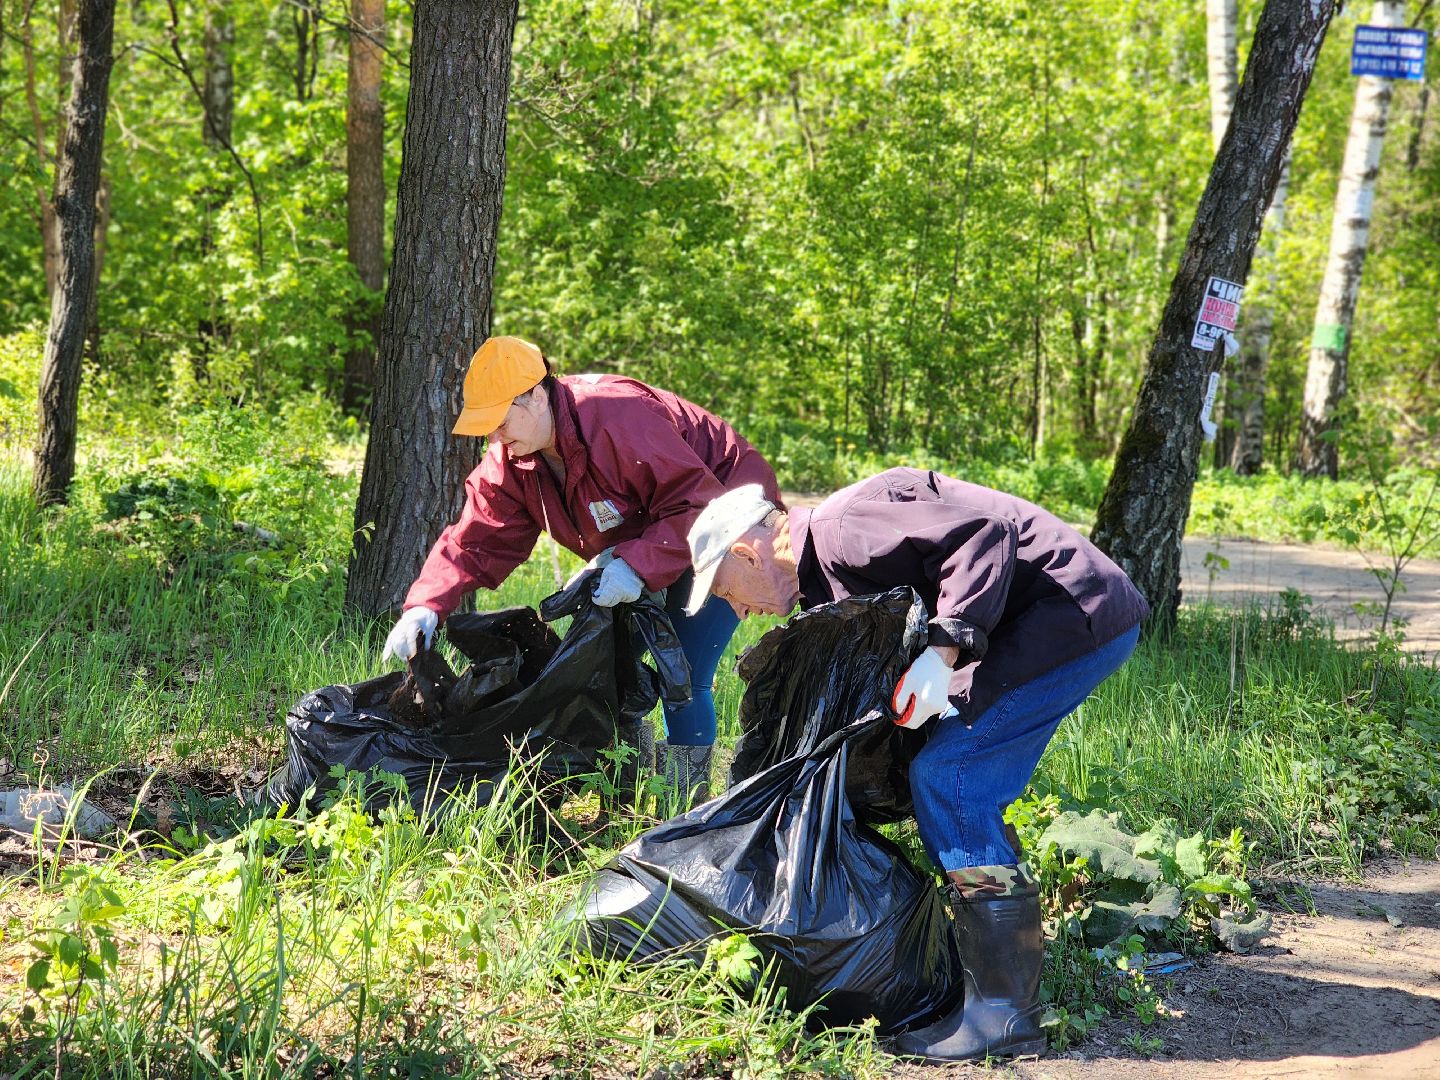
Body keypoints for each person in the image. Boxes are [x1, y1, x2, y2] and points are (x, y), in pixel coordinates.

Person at [682, 467, 1148, 1062]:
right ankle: (998, 969)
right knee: (948, 777)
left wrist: (942, 652)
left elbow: (985, 532)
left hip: (1072, 614)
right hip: (1038, 626)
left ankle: (1005, 1013)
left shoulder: (842, 529)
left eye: (728, 593)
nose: (740, 612)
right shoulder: (822, 576)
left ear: (749, 553)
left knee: (952, 780)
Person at [383, 335, 782, 804]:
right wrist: (426, 606)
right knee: (610, 669)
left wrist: (635, 565)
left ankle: (685, 811)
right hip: (647, 537)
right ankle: (628, 800)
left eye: (500, 421)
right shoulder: (512, 459)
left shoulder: (617, 417)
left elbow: (697, 503)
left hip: (729, 528)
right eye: (486, 427)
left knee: (684, 670)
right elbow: (475, 540)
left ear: (535, 395)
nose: (495, 437)